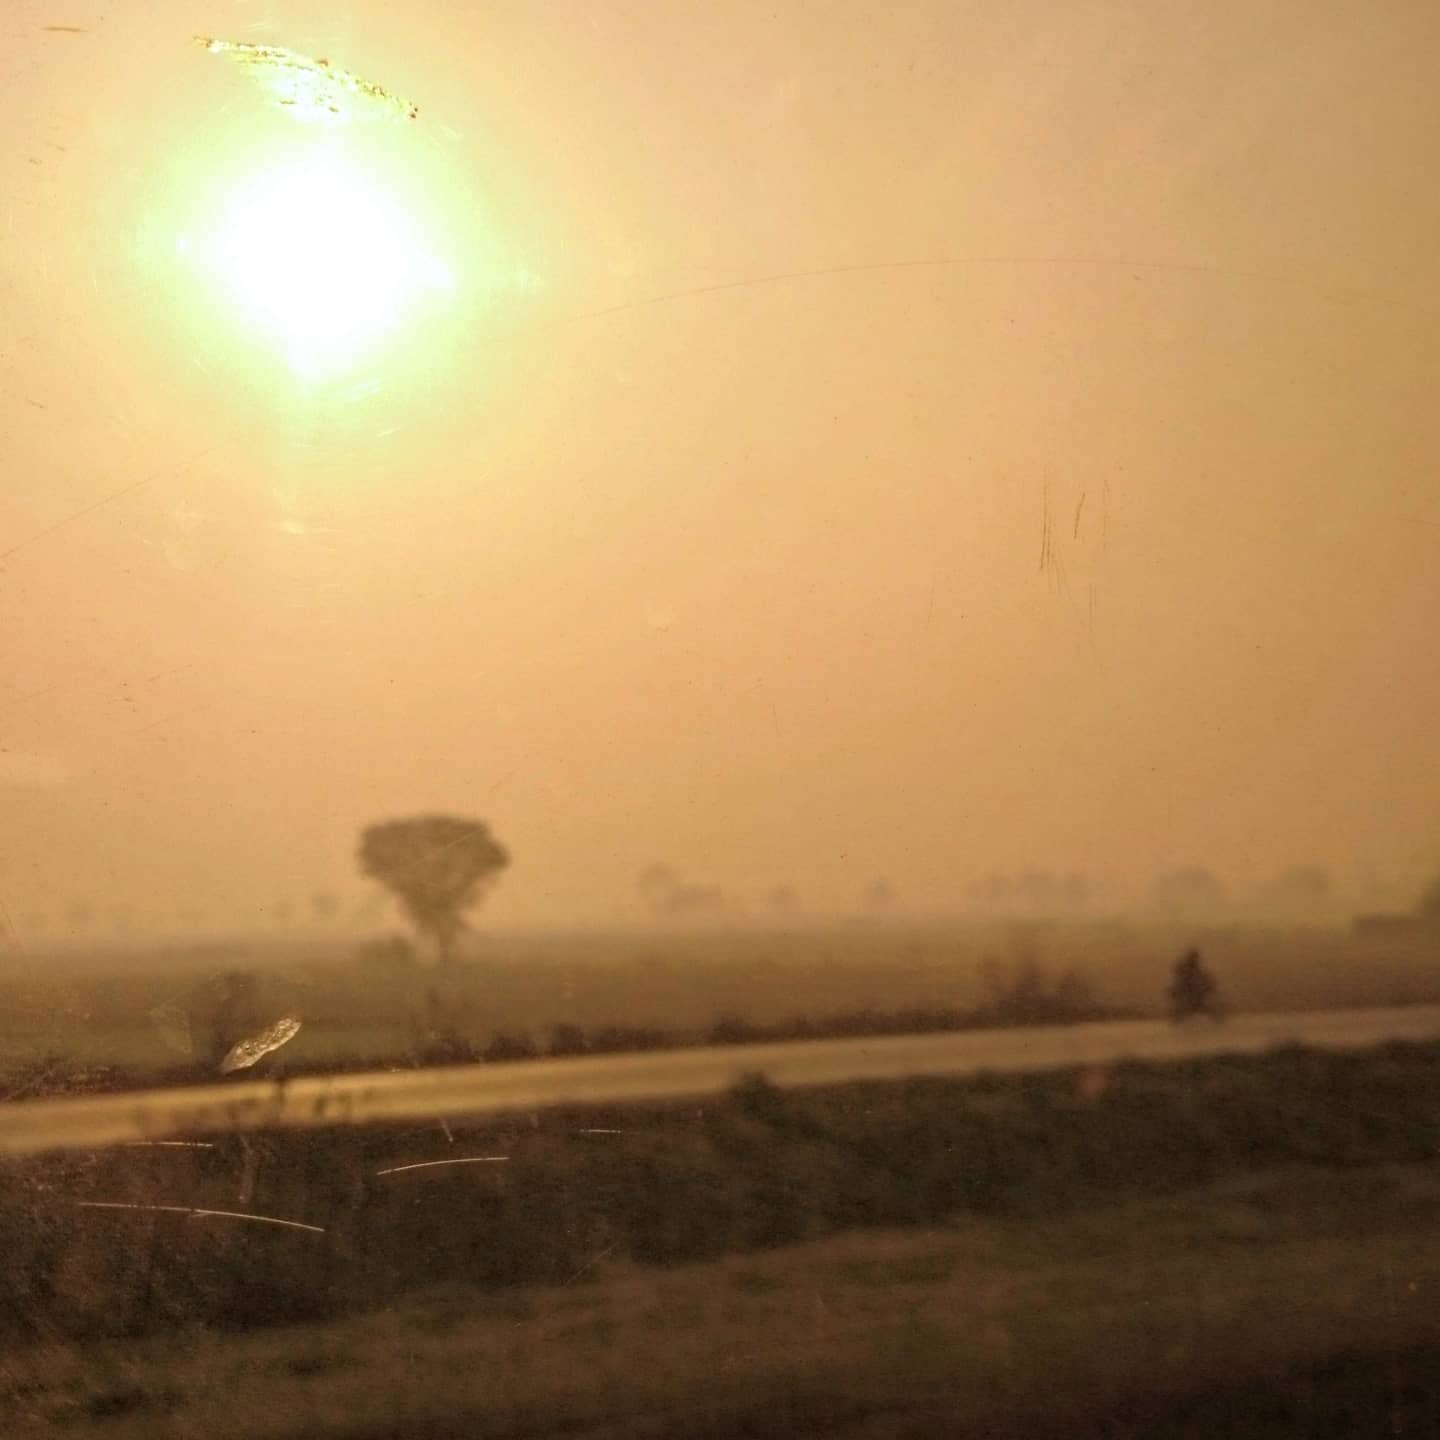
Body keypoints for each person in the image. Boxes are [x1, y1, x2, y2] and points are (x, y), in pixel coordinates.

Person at [1168, 948, 1222, 1022]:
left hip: (1197, 1000)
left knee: (1211, 1009)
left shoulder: (1199, 974)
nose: (1195, 961)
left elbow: (1209, 984)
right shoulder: (1185, 971)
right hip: (1189, 1000)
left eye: (1195, 959)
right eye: (1193, 959)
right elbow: (1177, 988)